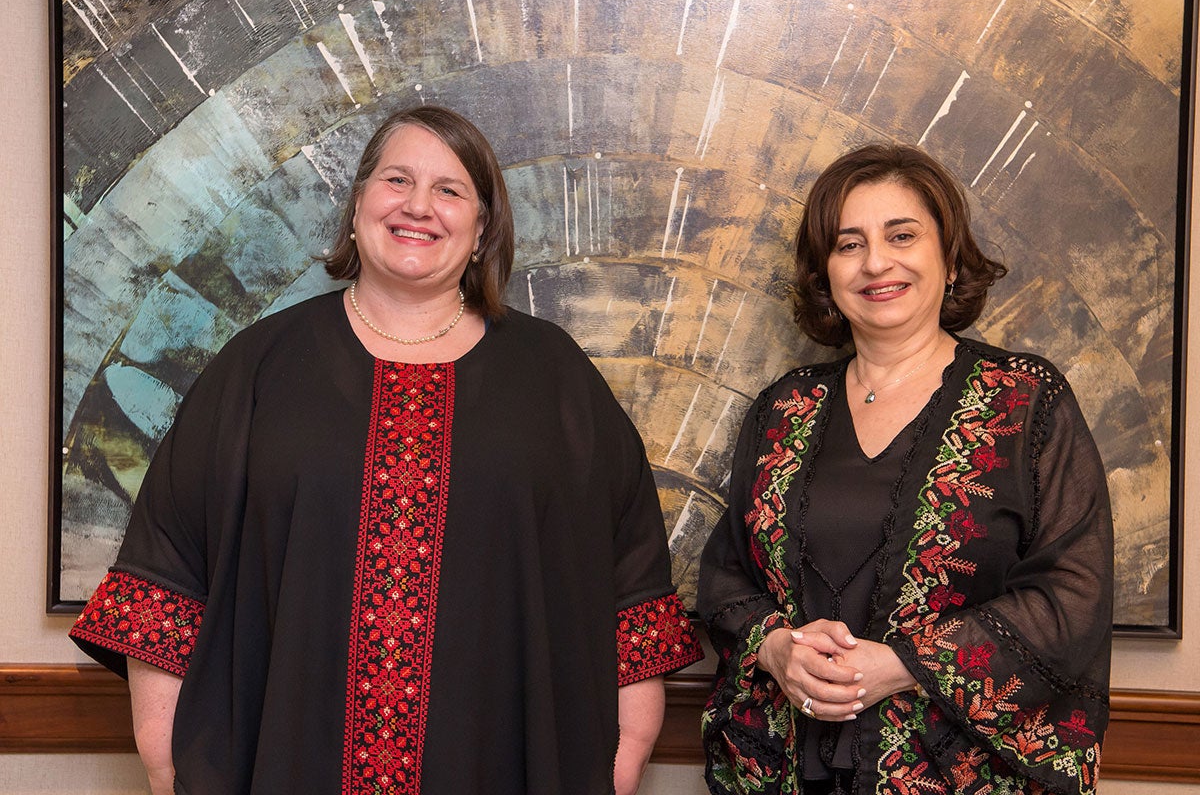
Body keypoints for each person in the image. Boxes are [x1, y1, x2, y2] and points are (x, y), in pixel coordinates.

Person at [70, 104, 702, 795]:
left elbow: (631, 578)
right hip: (282, 764)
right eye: (397, 180)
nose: (419, 206)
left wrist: (627, 751)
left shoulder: (555, 376)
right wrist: (164, 762)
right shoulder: (257, 367)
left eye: (451, 189)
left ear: (483, 224)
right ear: (360, 203)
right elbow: (166, 576)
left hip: (506, 764)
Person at [698, 144, 1112, 795]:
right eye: (848, 244)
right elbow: (726, 578)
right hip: (790, 770)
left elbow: (1073, 597)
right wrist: (775, 648)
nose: (876, 263)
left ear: (949, 257)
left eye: (902, 235)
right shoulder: (784, 409)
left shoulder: (1023, 401)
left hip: (959, 773)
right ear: (825, 274)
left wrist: (902, 664)